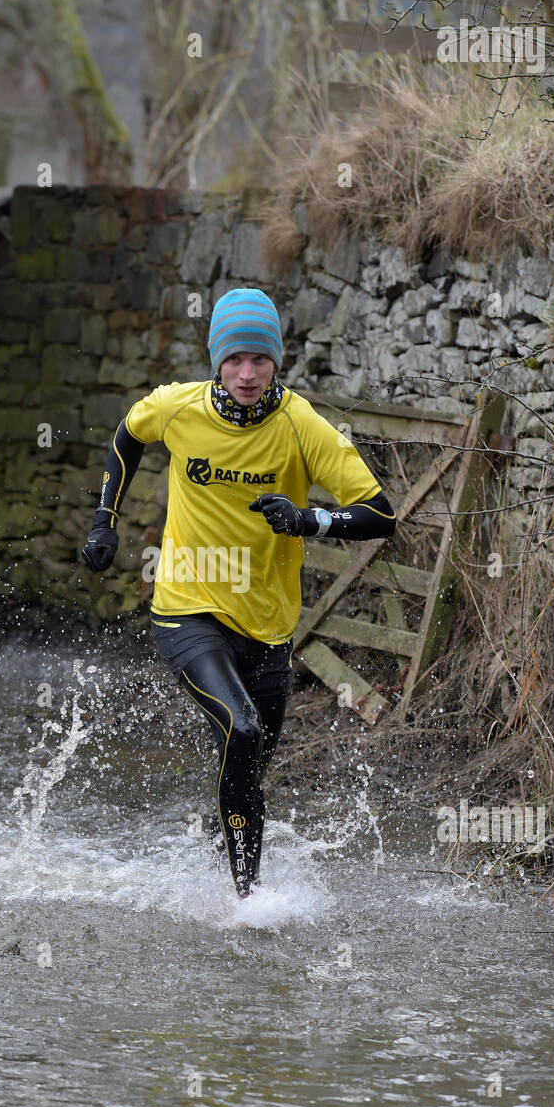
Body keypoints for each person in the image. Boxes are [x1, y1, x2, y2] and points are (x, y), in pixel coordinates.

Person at [81, 286, 395, 900]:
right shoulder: (178, 408)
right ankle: (246, 903)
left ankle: (221, 861)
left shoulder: (301, 425)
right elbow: (127, 435)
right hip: (186, 611)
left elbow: (380, 515)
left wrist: (310, 521)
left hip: (268, 629)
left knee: (250, 762)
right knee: (242, 730)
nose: (246, 374)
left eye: (259, 360)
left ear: (277, 361)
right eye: (233, 361)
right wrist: (103, 520)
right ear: (216, 362)